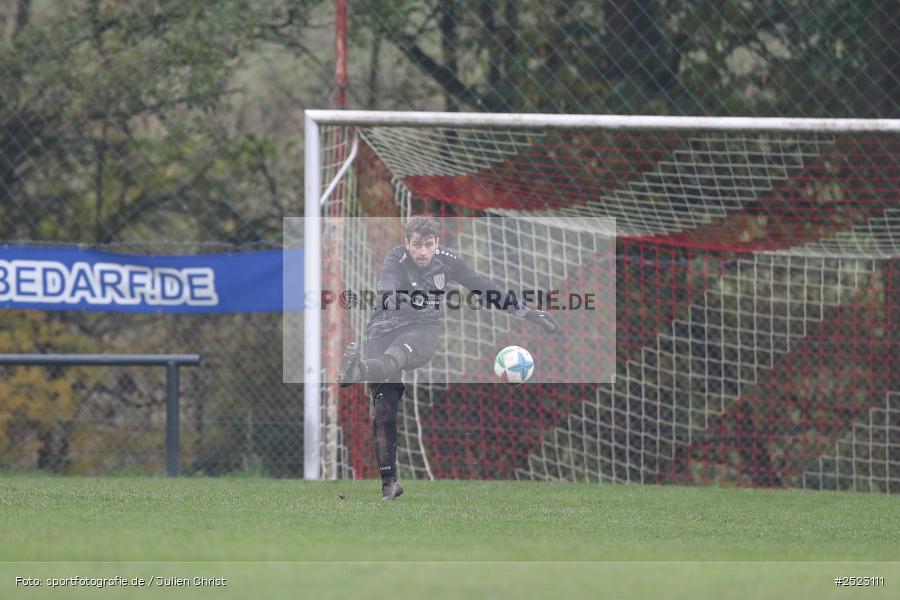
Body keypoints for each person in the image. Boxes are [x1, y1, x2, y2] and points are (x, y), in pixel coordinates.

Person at [337, 215, 559, 500]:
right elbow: (386, 286)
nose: (422, 252)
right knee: (383, 411)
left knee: (399, 354)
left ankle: (360, 370)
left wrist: (528, 312)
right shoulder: (396, 258)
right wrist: (395, 298)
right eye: (416, 245)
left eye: (428, 245)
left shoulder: (448, 261)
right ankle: (389, 484)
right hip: (383, 329)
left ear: (436, 243)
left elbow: (484, 287)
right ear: (406, 243)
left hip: (422, 331)